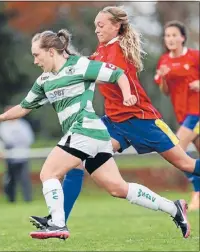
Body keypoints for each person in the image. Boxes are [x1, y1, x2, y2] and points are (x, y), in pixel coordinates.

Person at [0, 29, 192, 240]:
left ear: (52, 51)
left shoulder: (79, 66)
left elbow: (117, 73)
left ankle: (57, 223)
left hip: (85, 130)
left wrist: (128, 95)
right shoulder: (44, 80)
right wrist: (1, 118)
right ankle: (174, 208)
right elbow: (24, 106)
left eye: (37, 55)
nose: (35, 60)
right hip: (96, 137)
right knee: (118, 188)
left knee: (48, 173)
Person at [29, 6, 200, 238]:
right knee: (79, 160)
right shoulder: (101, 49)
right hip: (113, 123)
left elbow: (109, 72)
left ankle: (176, 208)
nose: (96, 29)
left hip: (142, 120)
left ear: (116, 26)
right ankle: (58, 222)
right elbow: (85, 64)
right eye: (96, 25)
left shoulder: (120, 49)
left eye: (101, 25)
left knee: (187, 165)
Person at [155, 20, 199, 211]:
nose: (171, 39)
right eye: (167, 36)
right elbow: (164, 91)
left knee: (177, 150)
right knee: (190, 157)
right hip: (182, 114)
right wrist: (164, 77)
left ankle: (197, 191)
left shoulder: (195, 56)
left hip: (196, 112)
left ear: (182, 38)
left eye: (174, 35)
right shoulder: (164, 61)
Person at [0, 106, 34, 203]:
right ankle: (11, 200)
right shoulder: (3, 126)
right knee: (10, 180)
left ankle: (28, 199)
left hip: (23, 156)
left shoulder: (23, 124)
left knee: (25, 179)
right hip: (10, 157)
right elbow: (8, 140)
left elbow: (29, 139)